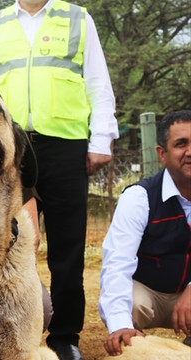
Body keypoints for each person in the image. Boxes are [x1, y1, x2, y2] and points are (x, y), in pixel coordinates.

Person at [0, 0, 119, 359]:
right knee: (9, 244)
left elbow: (98, 83)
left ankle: (65, 336)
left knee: (68, 246)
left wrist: (100, 140)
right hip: (10, 149)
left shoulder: (77, 19)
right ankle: (6, 329)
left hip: (66, 145)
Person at [98, 110, 191, 356]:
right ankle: (133, 346)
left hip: (188, 294)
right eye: (181, 144)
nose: (190, 152)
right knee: (128, 306)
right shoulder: (139, 198)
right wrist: (120, 325)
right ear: (162, 154)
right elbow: (117, 263)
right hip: (147, 296)